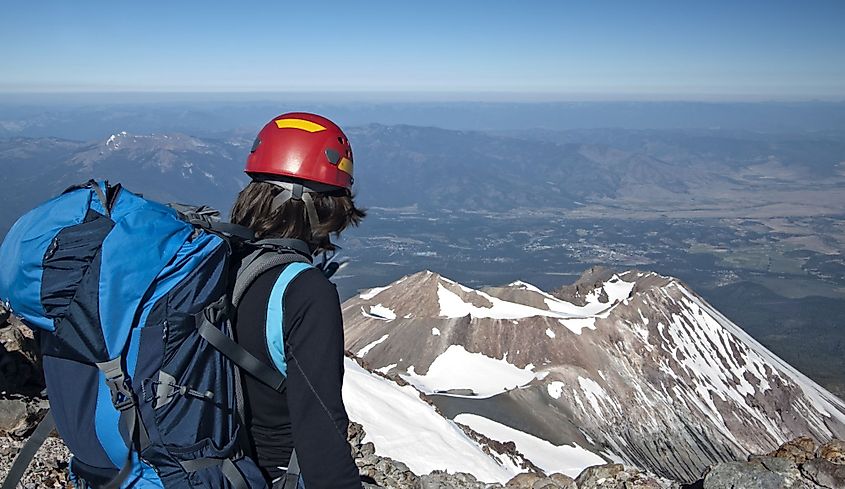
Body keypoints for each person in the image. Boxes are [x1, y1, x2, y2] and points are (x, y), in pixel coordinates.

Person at [229, 112, 366, 488]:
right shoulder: (305, 292)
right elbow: (322, 435)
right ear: (314, 203)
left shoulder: (219, 261)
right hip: (267, 475)